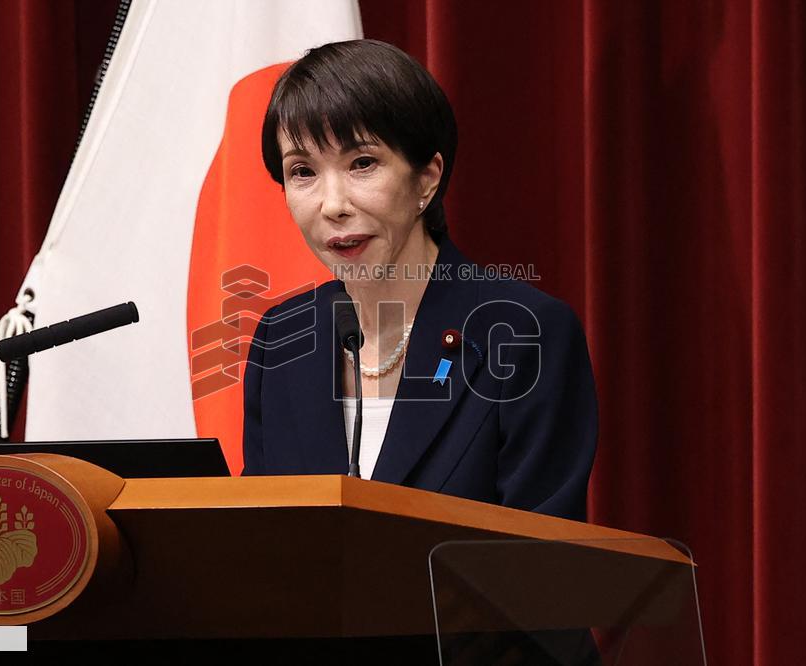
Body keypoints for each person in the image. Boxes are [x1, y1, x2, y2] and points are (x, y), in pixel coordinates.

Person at [242, 39, 597, 523]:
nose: (332, 204)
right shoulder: (283, 338)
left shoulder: (521, 334)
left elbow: (543, 568)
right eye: (303, 171)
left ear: (426, 179)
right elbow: (256, 536)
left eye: (362, 163)